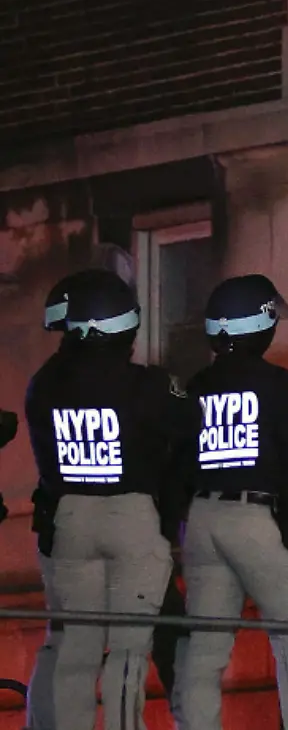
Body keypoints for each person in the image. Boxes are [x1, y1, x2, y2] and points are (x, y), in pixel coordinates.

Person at [24, 271, 194, 730]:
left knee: (73, 648)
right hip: (133, 516)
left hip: (70, 521)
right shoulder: (149, 386)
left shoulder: (44, 385)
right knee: (129, 649)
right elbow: (190, 432)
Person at [172, 274, 288, 730]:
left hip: (201, 519)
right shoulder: (278, 384)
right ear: (260, 325)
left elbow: (175, 461)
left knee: (204, 648)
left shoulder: (194, 386)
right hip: (256, 518)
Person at [24, 271, 89, 730]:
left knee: (62, 638)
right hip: (83, 522)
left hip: (56, 523)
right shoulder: (85, 380)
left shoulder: (45, 381)